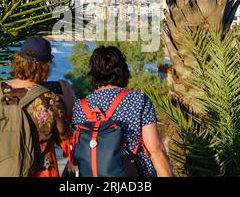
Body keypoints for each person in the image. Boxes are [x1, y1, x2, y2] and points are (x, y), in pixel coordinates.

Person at [0, 36, 76, 177]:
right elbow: (67, 142)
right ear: (45, 65)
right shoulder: (49, 99)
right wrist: (70, 107)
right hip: (40, 172)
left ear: (18, 59)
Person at [72, 46, 173, 177]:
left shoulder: (81, 106)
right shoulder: (138, 100)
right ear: (122, 70)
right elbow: (156, 150)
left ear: (93, 73)